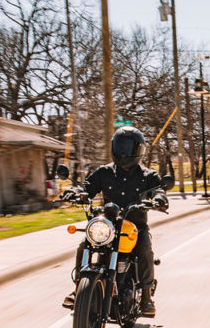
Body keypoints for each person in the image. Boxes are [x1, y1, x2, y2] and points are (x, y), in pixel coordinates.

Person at [63, 126, 167, 316]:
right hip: (108, 226)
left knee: (145, 247)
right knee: (83, 246)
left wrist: (160, 198)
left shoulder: (147, 175)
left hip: (134, 226)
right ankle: (79, 289)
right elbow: (87, 187)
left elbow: (158, 189)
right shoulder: (104, 172)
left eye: (128, 147)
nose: (123, 151)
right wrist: (75, 192)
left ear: (138, 150)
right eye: (120, 146)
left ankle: (146, 296)